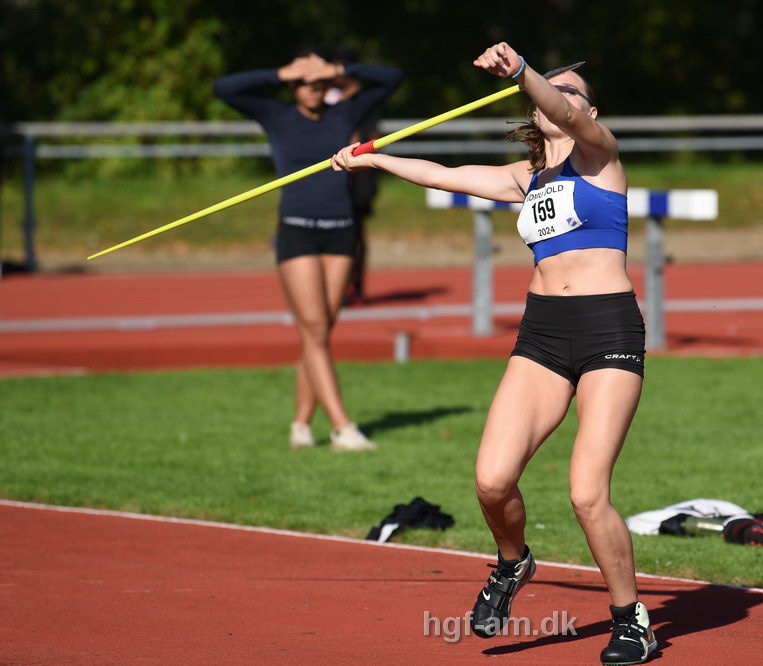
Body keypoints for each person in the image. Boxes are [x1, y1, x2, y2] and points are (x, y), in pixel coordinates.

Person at [333, 42, 656, 665]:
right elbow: (445, 175)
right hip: (542, 332)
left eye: (571, 93)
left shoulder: (600, 156)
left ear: (587, 109)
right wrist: (374, 160)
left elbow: (569, 118)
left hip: (607, 330)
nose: (560, 101)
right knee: (491, 480)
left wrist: (521, 73)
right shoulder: (526, 178)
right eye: (550, 92)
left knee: (587, 492)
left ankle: (631, 619)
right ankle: (513, 564)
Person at [215, 51, 403, 451]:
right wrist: (281, 71)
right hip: (297, 233)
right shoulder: (276, 115)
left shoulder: (344, 113)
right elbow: (224, 88)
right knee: (315, 330)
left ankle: (301, 425)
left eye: (318, 82)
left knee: (317, 332)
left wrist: (337, 71)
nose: (311, 88)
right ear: (292, 85)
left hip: (340, 231)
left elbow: (391, 78)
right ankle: (341, 428)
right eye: (303, 82)